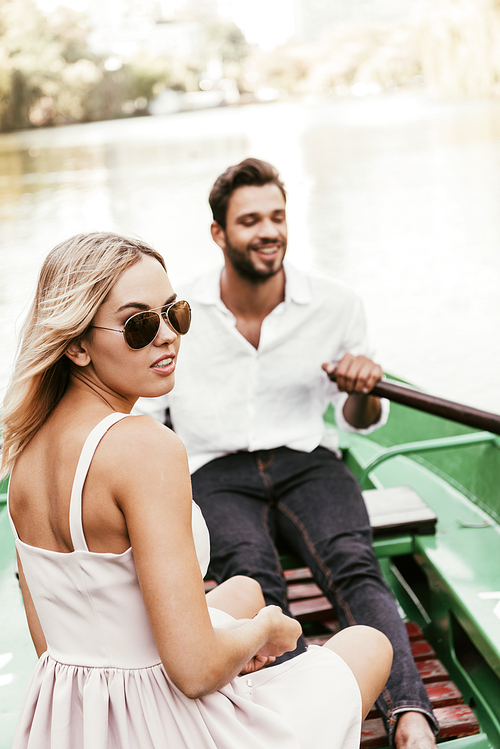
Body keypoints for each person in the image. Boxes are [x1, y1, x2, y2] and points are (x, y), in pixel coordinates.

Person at [1, 231, 392, 749]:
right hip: (164, 725)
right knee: (368, 644)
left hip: (80, 716)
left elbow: (49, 641)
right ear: (75, 345)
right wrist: (269, 631)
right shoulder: (145, 448)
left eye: (174, 313)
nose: (166, 336)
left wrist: (240, 627)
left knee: (246, 589)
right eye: (139, 324)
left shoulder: (24, 450)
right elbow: (193, 672)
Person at [135, 159, 440, 749]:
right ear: (219, 234)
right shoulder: (180, 314)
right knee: (251, 576)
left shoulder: (336, 303)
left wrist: (361, 389)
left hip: (307, 459)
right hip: (216, 469)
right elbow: (148, 413)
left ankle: (409, 716)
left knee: (353, 564)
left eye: (277, 216)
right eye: (250, 220)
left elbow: (363, 419)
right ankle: (297, 726)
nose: (268, 230)